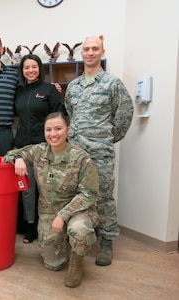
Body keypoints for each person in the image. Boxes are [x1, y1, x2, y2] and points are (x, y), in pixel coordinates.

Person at [2, 112, 99, 288]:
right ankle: (65, 245)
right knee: (53, 264)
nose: (53, 134)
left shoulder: (81, 158)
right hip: (48, 212)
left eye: (58, 129)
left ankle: (77, 262)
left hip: (77, 211)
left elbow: (88, 194)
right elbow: (9, 154)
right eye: (48, 130)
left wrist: (63, 216)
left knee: (79, 230)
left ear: (67, 130)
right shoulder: (38, 151)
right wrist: (18, 159)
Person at [64, 36, 134, 266]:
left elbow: (124, 114)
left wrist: (107, 138)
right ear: (81, 53)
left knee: (103, 197)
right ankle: (78, 238)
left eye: (95, 49)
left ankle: (106, 242)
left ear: (102, 52)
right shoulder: (73, 87)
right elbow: (70, 115)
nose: (90, 52)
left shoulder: (112, 84)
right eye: (86, 49)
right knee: (75, 195)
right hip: (76, 153)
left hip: (100, 153)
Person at [14, 54, 63, 243]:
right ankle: (30, 226)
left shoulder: (49, 90)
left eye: (34, 67)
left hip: (44, 148)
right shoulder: (18, 91)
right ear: (22, 71)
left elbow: (58, 117)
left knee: (46, 189)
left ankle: (51, 226)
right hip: (23, 149)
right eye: (26, 67)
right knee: (27, 189)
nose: (30, 71)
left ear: (39, 69)